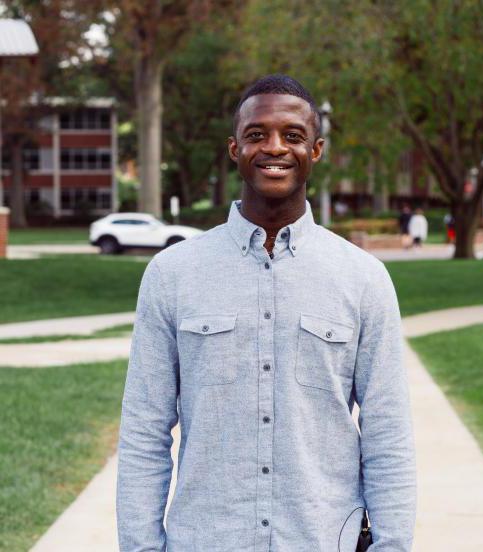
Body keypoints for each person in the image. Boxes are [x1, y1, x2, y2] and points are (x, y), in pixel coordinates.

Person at [116, 74, 416, 552]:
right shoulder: (172, 274)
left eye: (292, 136)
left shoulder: (364, 279)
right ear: (235, 149)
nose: (274, 147)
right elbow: (143, 434)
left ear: (315, 150)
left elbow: (387, 436)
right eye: (257, 134)